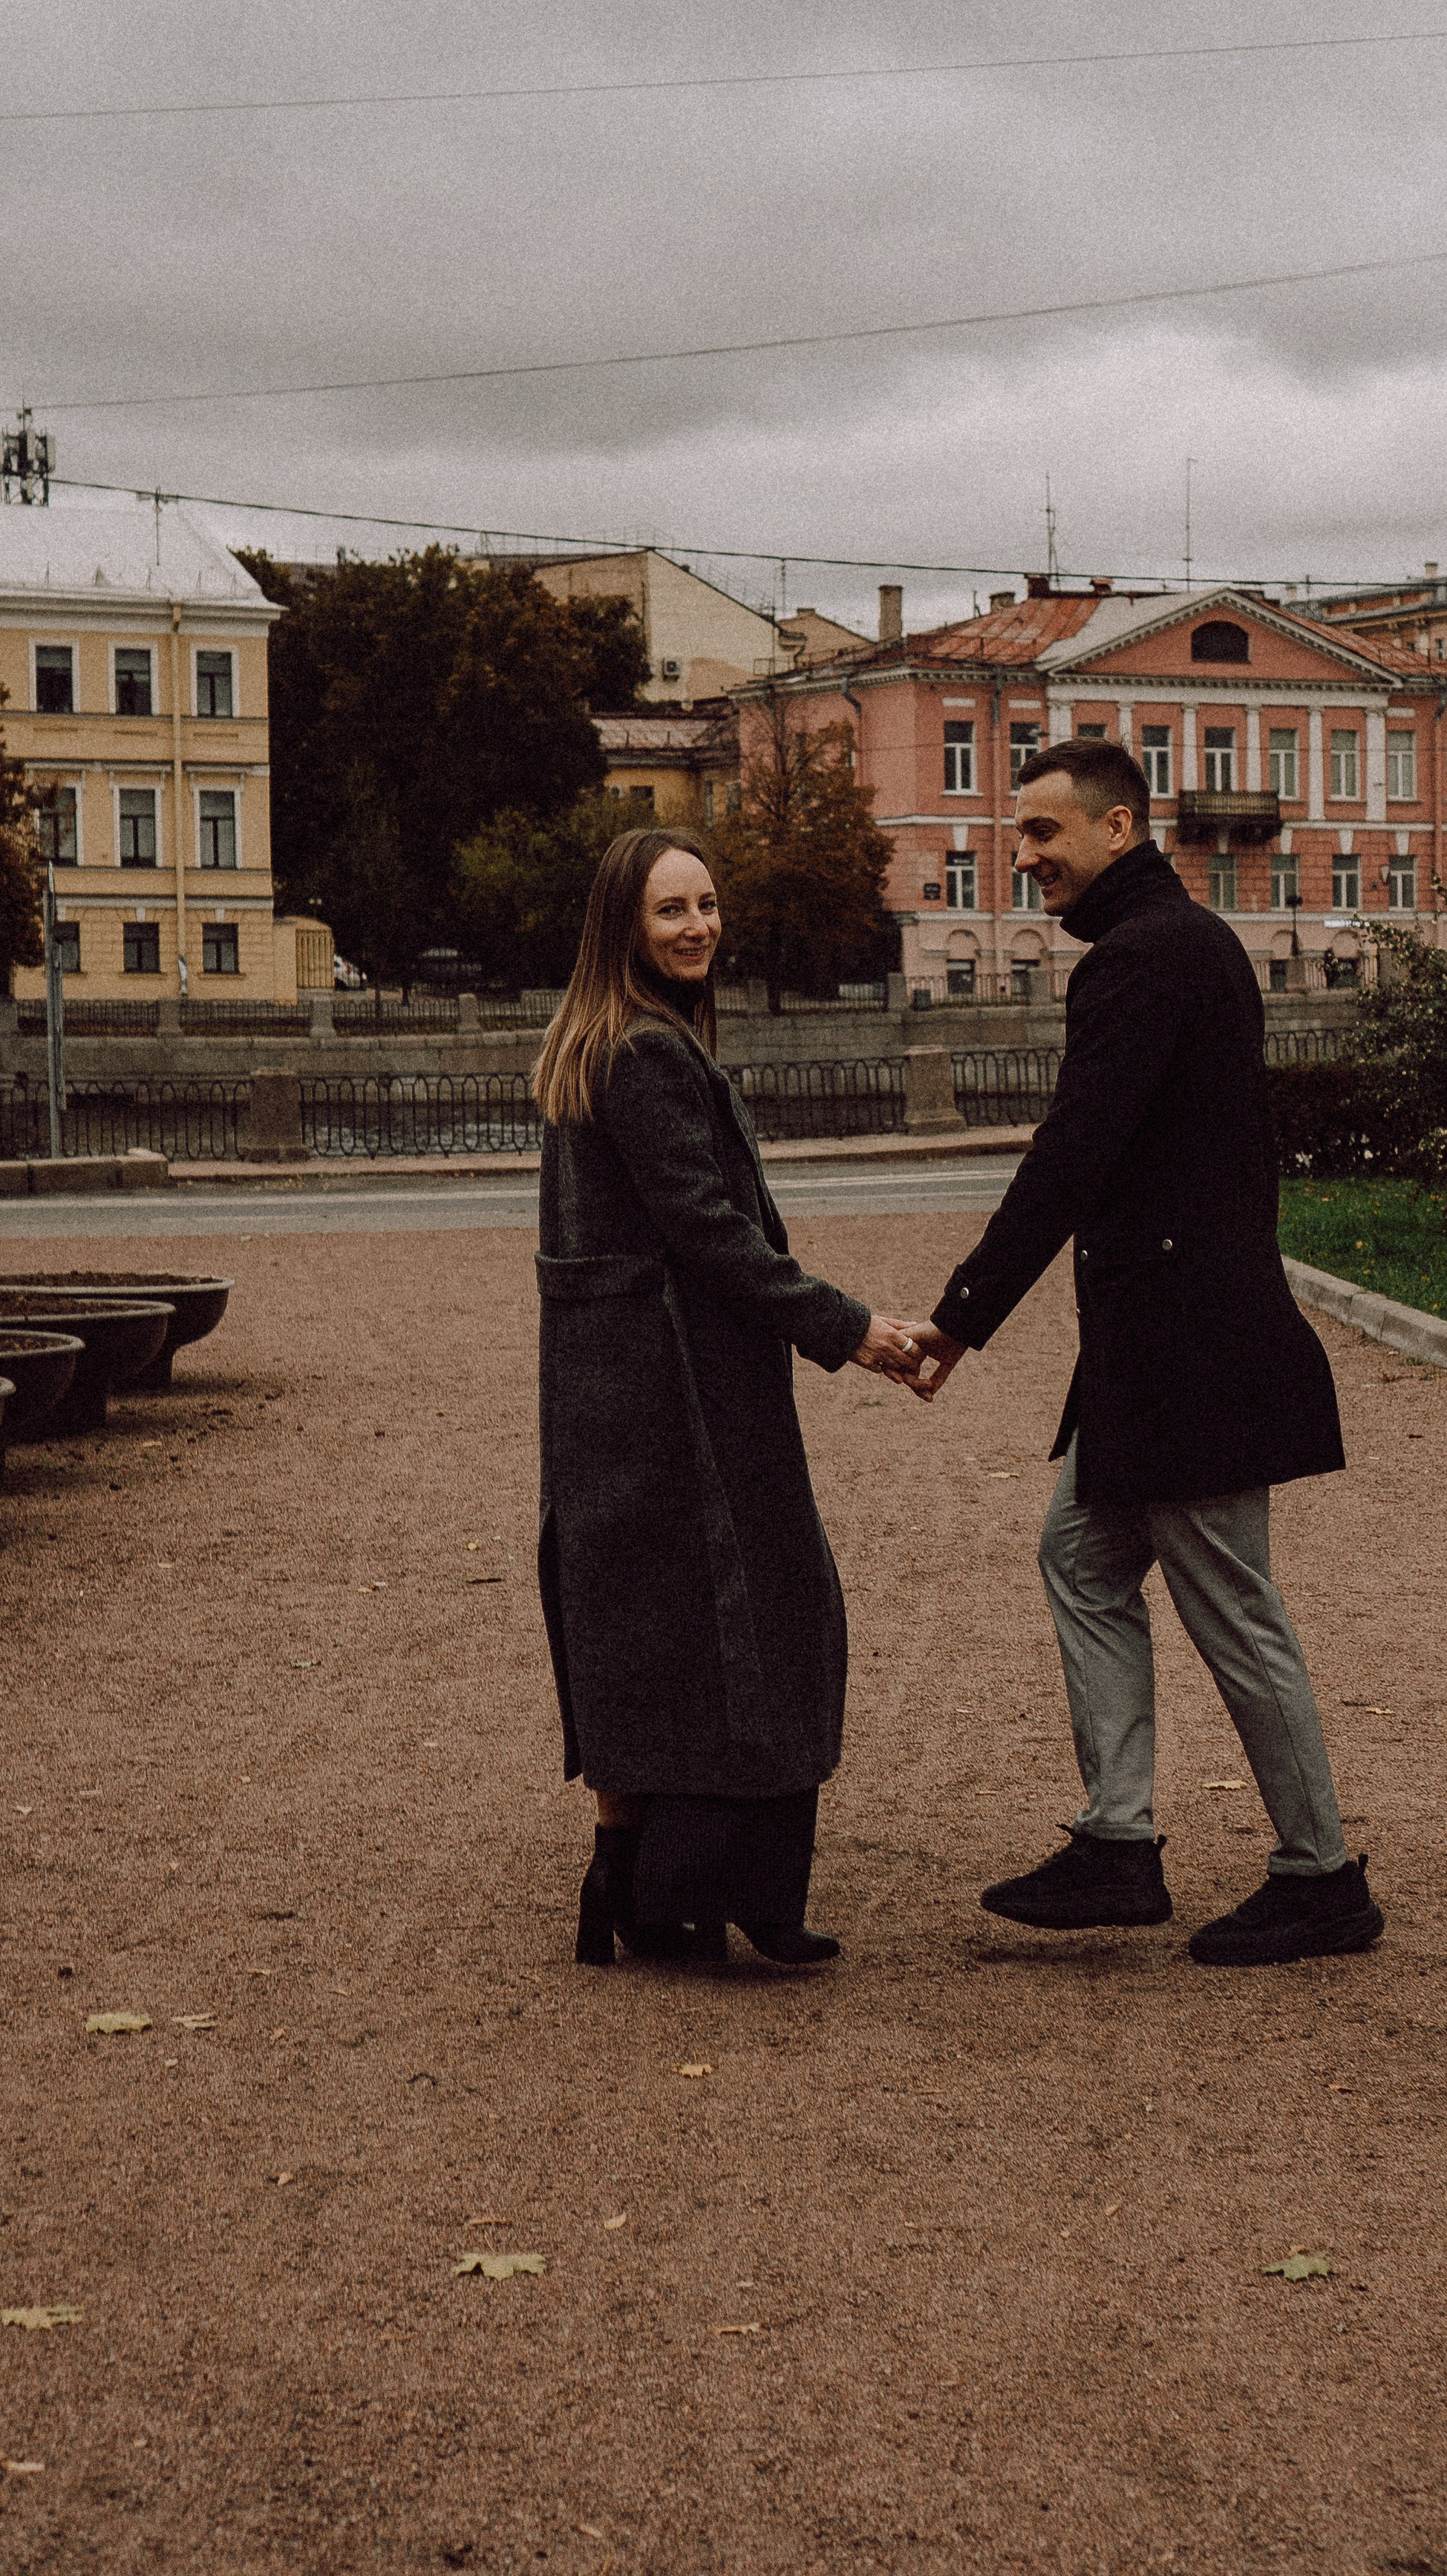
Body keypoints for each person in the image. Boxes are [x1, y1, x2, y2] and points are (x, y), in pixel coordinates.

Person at [908, 741, 1384, 1967]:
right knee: (1078, 1556)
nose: (1024, 858)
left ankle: (1321, 1877)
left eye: (1042, 834)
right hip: (1171, 1348)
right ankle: (1118, 1844)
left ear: (1121, 829)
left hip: (1189, 1357)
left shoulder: (1144, 960)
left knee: (1234, 1608)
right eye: (1018, 836)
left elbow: (1075, 1153)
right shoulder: (1176, 946)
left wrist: (960, 1318)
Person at [533, 827, 921, 1971]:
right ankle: (729, 1890)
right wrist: (852, 1331)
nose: (698, 925)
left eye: (706, 903)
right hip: (685, 1385)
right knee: (762, 1614)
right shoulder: (646, 1054)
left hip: (615, 1387)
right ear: (625, 928)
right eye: (670, 910)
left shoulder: (593, 1043)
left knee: (649, 1628)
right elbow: (709, 1235)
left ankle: (639, 1887)